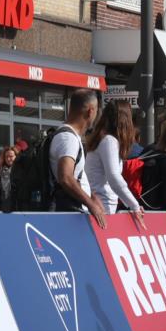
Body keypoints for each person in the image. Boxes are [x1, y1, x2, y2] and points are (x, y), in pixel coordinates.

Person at [48, 89, 105, 227]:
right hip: (70, 214)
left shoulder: (71, 136)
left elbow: (75, 175)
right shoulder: (68, 138)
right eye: (96, 111)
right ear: (90, 111)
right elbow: (66, 177)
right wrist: (90, 204)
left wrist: (91, 196)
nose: (96, 115)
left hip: (74, 211)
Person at [84, 101, 143, 226]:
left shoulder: (103, 139)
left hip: (100, 204)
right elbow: (114, 177)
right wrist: (135, 205)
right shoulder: (109, 141)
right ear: (125, 120)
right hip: (102, 206)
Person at [0, 146, 17, 212]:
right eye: (6, 157)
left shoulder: (19, 171)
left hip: (15, 204)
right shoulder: (1, 171)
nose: (8, 159)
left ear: (16, 156)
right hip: (2, 205)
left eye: (11, 156)